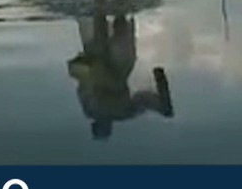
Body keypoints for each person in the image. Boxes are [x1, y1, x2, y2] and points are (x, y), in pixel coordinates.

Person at [67, 10, 174, 140]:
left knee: (105, 25)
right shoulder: (112, 112)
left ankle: (115, 5)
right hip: (109, 67)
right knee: (106, 25)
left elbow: (143, 100)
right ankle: (115, 4)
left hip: (104, 67)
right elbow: (143, 100)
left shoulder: (99, 111)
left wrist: (162, 99)